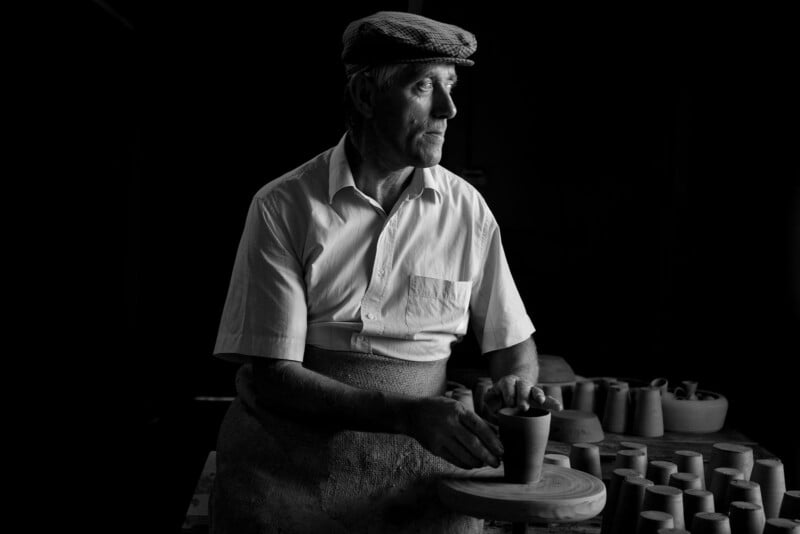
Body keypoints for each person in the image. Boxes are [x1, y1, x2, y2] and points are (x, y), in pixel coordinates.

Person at [210, 10, 561, 534]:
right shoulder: (283, 206)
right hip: (287, 466)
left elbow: (513, 347)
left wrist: (513, 384)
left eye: (451, 86)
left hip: (423, 468)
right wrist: (406, 414)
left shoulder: (468, 211)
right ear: (366, 96)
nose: (449, 108)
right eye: (424, 86)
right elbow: (275, 377)